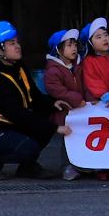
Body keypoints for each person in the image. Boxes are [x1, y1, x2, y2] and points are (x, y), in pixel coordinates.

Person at [0, 22, 68, 179]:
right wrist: (55, 128)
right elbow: (17, 114)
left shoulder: (18, 66)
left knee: (46, 119)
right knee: (31, 144)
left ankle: (27, 168)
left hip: (9, 125)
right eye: (11, 43)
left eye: (17, 42)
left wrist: (52, 104)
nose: (18, 46)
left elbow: (33, 96)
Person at [43, 28, 86, 180]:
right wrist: (76, 99)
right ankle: (67, 167)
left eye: (75, 44)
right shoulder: (53, 70)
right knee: (67, 141)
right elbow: (57, 91)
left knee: (82, 138)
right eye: (69, 45)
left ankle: (84, 165)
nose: (74, 48)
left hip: (82, 110)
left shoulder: (79, 65)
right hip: (65, 112)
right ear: (58, 49)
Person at [79, 18, 109, 106]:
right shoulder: (88, 61)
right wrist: (106, 96)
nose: (105, 39)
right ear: (90, 43)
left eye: (106, 35)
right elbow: (93, 81)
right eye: (99, 37)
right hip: (99, 101)